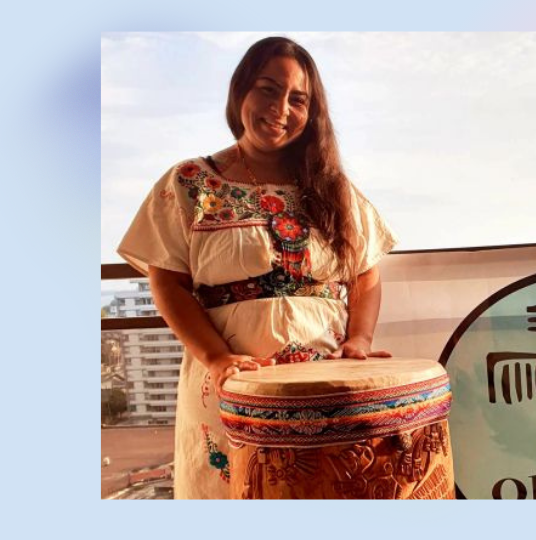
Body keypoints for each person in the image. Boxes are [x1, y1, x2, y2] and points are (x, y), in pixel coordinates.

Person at [117, 36, 397, 499]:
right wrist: (216, 358)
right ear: (240, 92)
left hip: (322, 387)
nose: (280, 108)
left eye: (298, 99)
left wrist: (359, 340)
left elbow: (366, 272)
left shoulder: (334, 189)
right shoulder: (190, 182)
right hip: (228, 388)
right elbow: (165, 280)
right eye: (268, 89)